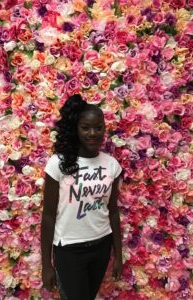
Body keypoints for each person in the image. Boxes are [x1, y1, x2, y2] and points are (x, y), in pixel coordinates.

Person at [41, 94, 122, 300]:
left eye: (99, 127)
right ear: (76, 129)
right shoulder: (57, 163)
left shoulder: (111, 165)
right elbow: (49, 216)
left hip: (101, 246)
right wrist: (46, 265)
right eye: (85, 127)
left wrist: (118, 255)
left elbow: (112, 212)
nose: (93, 133)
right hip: (69, 250)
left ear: (105, 128)